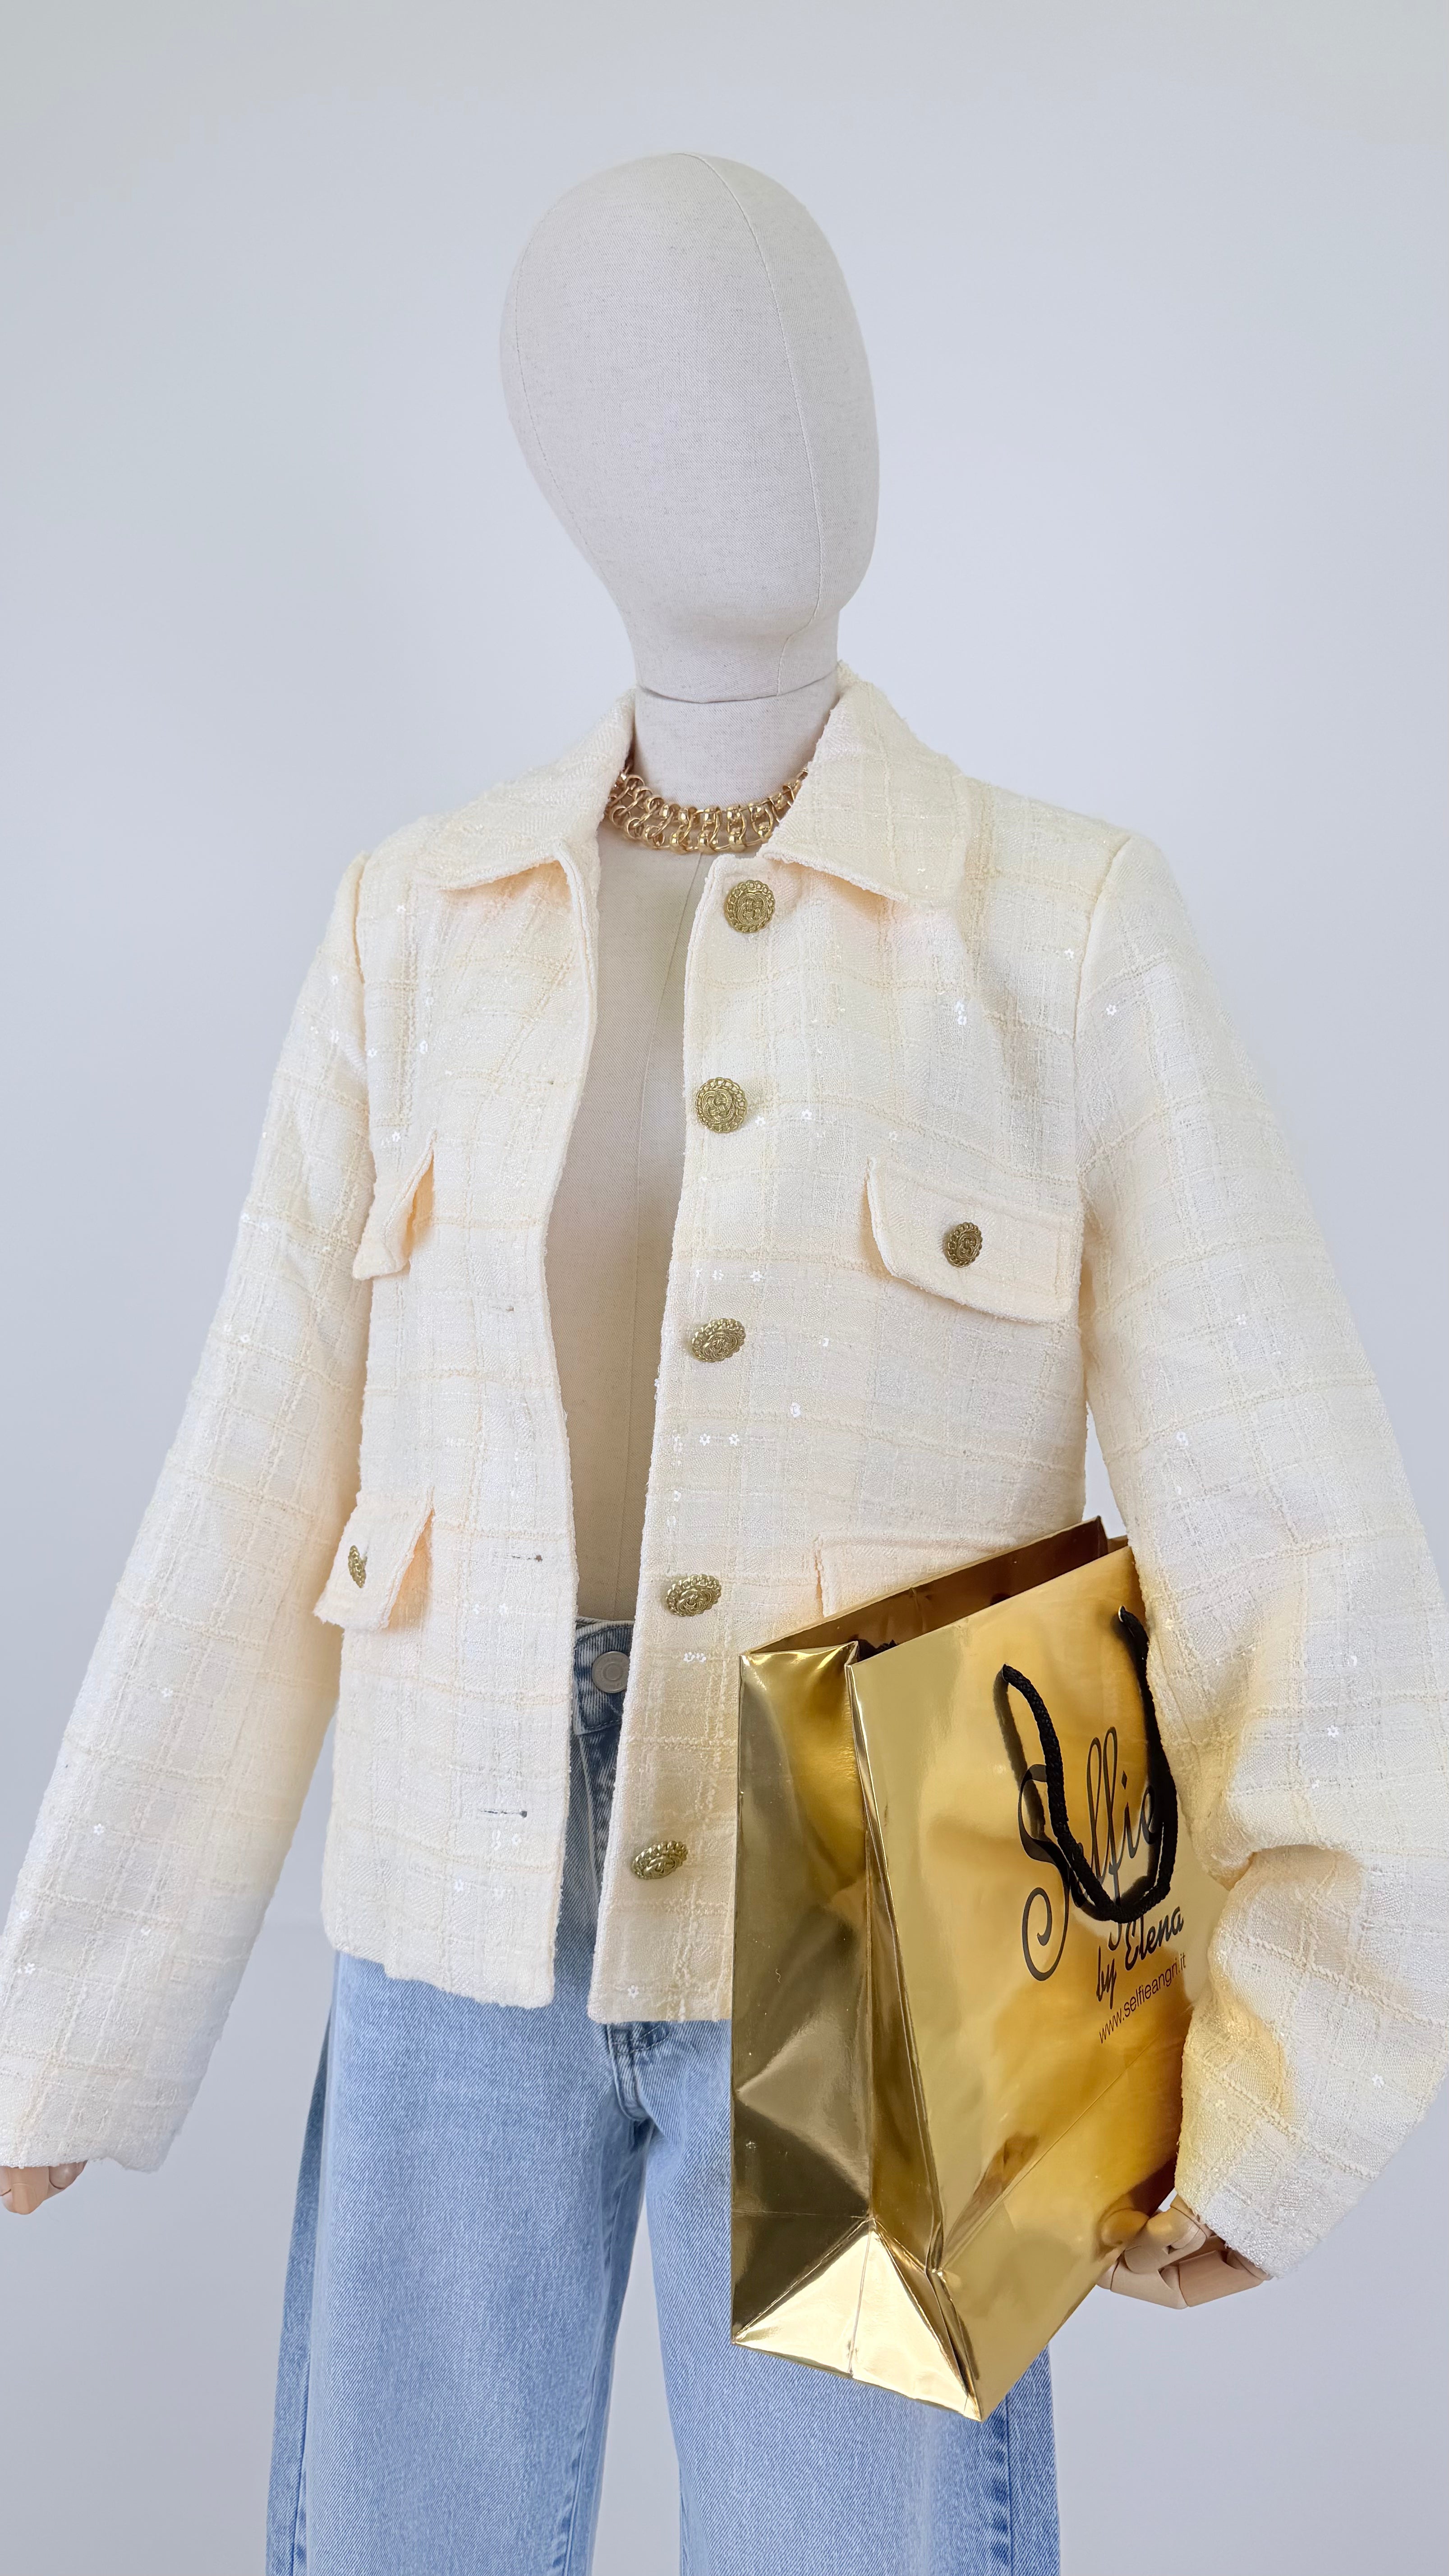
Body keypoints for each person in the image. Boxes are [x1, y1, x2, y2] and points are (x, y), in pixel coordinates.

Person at [3, 155, 1446, 2576]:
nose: (768, 432)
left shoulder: (1063, 929)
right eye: (659, 377)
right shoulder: (414, 926)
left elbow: (1290, 1511)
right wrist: (67, 2018)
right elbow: (249, 1485)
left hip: (910, 1922)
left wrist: (1293, 2068)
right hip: (454, 1870)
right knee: (405, 2538)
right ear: (555, 451)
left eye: (805, 360)